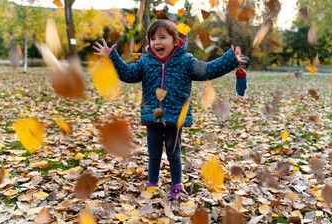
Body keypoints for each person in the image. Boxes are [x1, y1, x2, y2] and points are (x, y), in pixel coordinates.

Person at [93, 18, 247, 201]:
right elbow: (128, 73)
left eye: (162, 37)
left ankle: (176, 185)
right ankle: (152, 183)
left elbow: (208, 70)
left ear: (176, 40)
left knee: (174, 154)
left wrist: (230, 60)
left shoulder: (186, 62)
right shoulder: (145, 62)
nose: (156, 42)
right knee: (153, 154)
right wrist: (112, 58)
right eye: (152, 39)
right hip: (152, 116)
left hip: (174, 117)